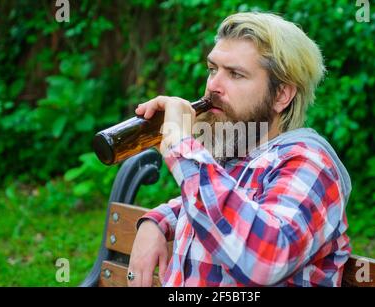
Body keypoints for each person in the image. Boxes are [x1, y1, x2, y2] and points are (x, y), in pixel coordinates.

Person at [127, 12, 352, 287]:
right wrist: (156, 223)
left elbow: (265, 259)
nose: (213, 86)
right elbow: (227, 200)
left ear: (281, 95)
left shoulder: (310, 164)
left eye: (235, 74)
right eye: (213, 69)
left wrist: (178, 142)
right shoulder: (238, 154)